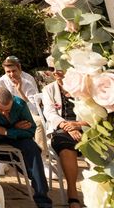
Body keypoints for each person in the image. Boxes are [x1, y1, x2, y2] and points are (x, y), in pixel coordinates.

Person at [0, 87, 52, 208]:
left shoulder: (19, 104)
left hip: (13, 134)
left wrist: (7, 131)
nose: (4, 113)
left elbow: (31, 131)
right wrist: (13, 128)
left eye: (8, 110)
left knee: (32, 147)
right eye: (0, 109)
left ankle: (43, 199)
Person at [41, 67, 87, 208]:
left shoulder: (83, 85)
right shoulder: (49, 89)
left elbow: (94, 112)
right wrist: (67, 126)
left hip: (84, 126)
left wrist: (78, 125)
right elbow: (49, 113)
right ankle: (73, 194)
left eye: (59, 68)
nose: (55, 72)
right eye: (52, 69)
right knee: (66, 146)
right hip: (61, 129)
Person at [0, 56, 47, 157]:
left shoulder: (28, 81)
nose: (11, 74)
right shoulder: (0, 83)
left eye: (14, 71)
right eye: (8, 72)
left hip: (26, 113)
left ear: (20, 68)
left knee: (38, 122)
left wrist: (20, 91)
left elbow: (35, 110)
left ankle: (42, 158)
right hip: (6, 115)